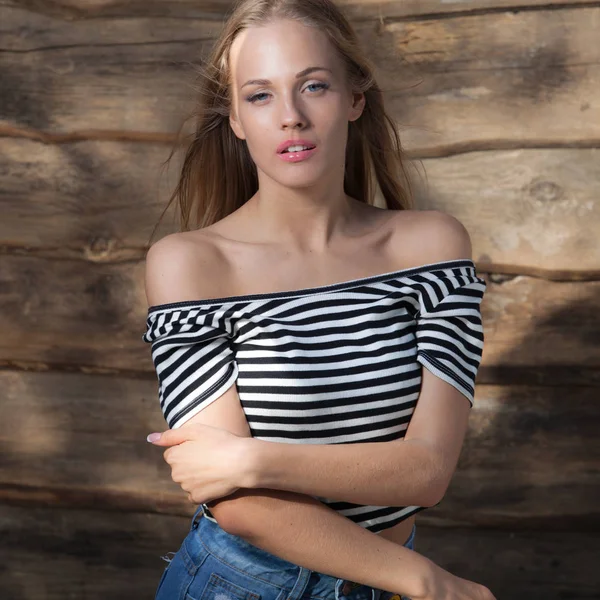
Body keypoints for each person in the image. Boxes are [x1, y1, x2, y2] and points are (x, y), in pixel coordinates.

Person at [142, 1, 495, 599]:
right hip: (239, 585)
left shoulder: (431, 248)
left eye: (314, 86)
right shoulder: (192, 263)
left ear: (356, 98)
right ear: (233, 118)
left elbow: (428, 472)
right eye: (260, 96)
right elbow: (240, 508)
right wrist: (428, 582)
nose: (291, 117)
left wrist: (251, 460)